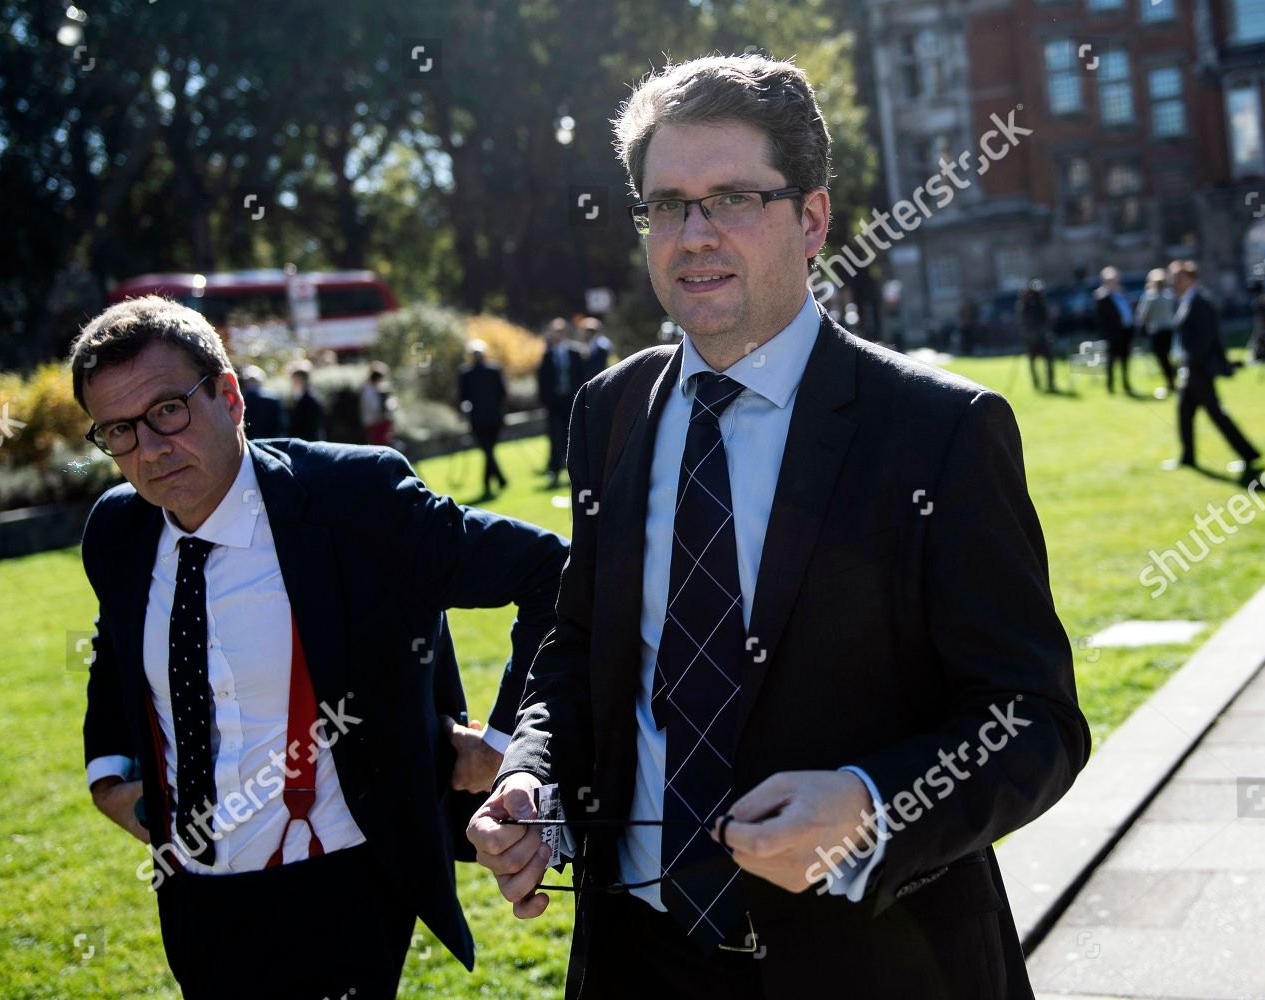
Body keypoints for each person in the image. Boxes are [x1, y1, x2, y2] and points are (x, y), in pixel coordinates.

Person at [467, 54, 1090, 998]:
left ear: (812, 219)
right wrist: (535, 775)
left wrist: (877, 803)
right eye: (667, 204)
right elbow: (581, 643)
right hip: (639, 960)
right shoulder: (610, 411)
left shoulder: (939, 429)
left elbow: (1034, 722)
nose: (694, 234)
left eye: (732, 199)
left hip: (878, 962)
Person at [69, 296, 568, 998]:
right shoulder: (119, 530)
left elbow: (552, 571)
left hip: (338, 892)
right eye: (118, 431)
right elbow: (116, 643)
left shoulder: (351, 498)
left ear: (229, 396)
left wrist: (508, 738)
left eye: (167, 411)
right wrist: (109, 771)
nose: (148, 449)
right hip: (191, 899)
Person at [1163, 260, 1263, 480]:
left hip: (1198, 371)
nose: (1175, 283)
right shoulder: (1187, 301)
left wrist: (1191, 364)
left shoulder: (1200, 302)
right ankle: (1188, 457)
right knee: (1185, 413)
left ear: (1190, 278)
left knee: (1215, 414)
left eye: (1178, 278)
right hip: (1191, 369)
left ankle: (1248, 454)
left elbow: (1207, 338)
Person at [537, 317, 585, 487]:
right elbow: (542, 380)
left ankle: (575, 468)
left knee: (573, 434)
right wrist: (544, 401)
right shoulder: (548, 355)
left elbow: (581, 375)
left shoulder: (574, 351)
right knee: (555, 436)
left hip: (571, 400)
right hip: (555, 402)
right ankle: (554, 469)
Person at [458, 339, 509, 496]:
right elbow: (503, 393)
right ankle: (498, 479)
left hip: (483, 418)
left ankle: (493, 482)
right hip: (489, 417)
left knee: (488, 451)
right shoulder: (491, 370)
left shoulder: (467, 373)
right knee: (489, 451)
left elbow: (462, 397)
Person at [1136, 269, 1178, 398]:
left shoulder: (1150, 297)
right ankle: (1172, 379)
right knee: (1168, 357)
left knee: (1162, 358)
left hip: (1157, 331)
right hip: (1170, 330)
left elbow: (1142, 316)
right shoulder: (1170, 295)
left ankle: (1170, 381)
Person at [1094, 266, 1135, 394]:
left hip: (1125, 331)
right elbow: (1100, 318)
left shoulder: (1122, 293)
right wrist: (1106, 333)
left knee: (1125, 358)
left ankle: (1125, 383)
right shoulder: (1102, 296)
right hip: (1112, 333)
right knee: (1111, 360)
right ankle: (1110, 385)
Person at [1017, 278, 1056, 392]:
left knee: (1049, 359)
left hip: (1043, 336)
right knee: (1032, 361)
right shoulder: (1025, 303)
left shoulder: (1041, 302)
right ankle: (1036, 383)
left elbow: (1046, 318)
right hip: (1031, 337)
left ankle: (1050, 382)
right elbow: (1022, 319)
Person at [237, 365, 285, 438]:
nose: (252, 384)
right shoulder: (273, 398)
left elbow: (277, 424)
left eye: (253, 381)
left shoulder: (272, 399)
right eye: (250, 381)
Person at [286, 361, 325, 441]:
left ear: (300, 380)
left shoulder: (311, 398)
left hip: (309, 443)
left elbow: (311, 426)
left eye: (293, 379)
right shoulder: (300, 396)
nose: (291, 383)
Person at [359, 361, 395, 446]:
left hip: (375, 423)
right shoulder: (368, 391)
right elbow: (376, 408)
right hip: (374, 423)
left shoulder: (373, 389)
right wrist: (390, 405)